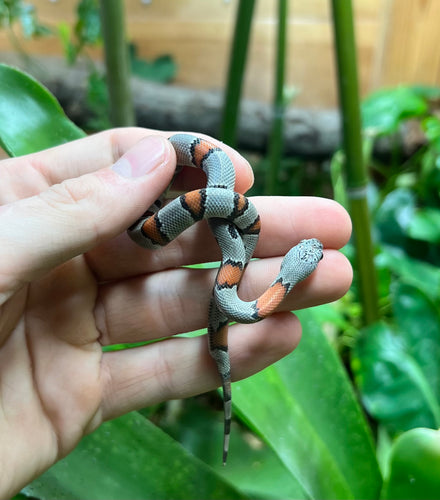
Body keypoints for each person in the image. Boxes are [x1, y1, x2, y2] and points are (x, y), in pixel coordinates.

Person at [0, 128, 352, 497]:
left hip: (208, 197)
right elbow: (223, 219)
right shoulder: (243, 258)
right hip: (190, 196)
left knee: (224, 214)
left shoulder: (243, 281)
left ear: (296, 269)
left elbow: (225, 222)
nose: (307, 248)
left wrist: (221, 208)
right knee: (217, 206)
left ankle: (222, 365)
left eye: (305, 254)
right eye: (305, 250)